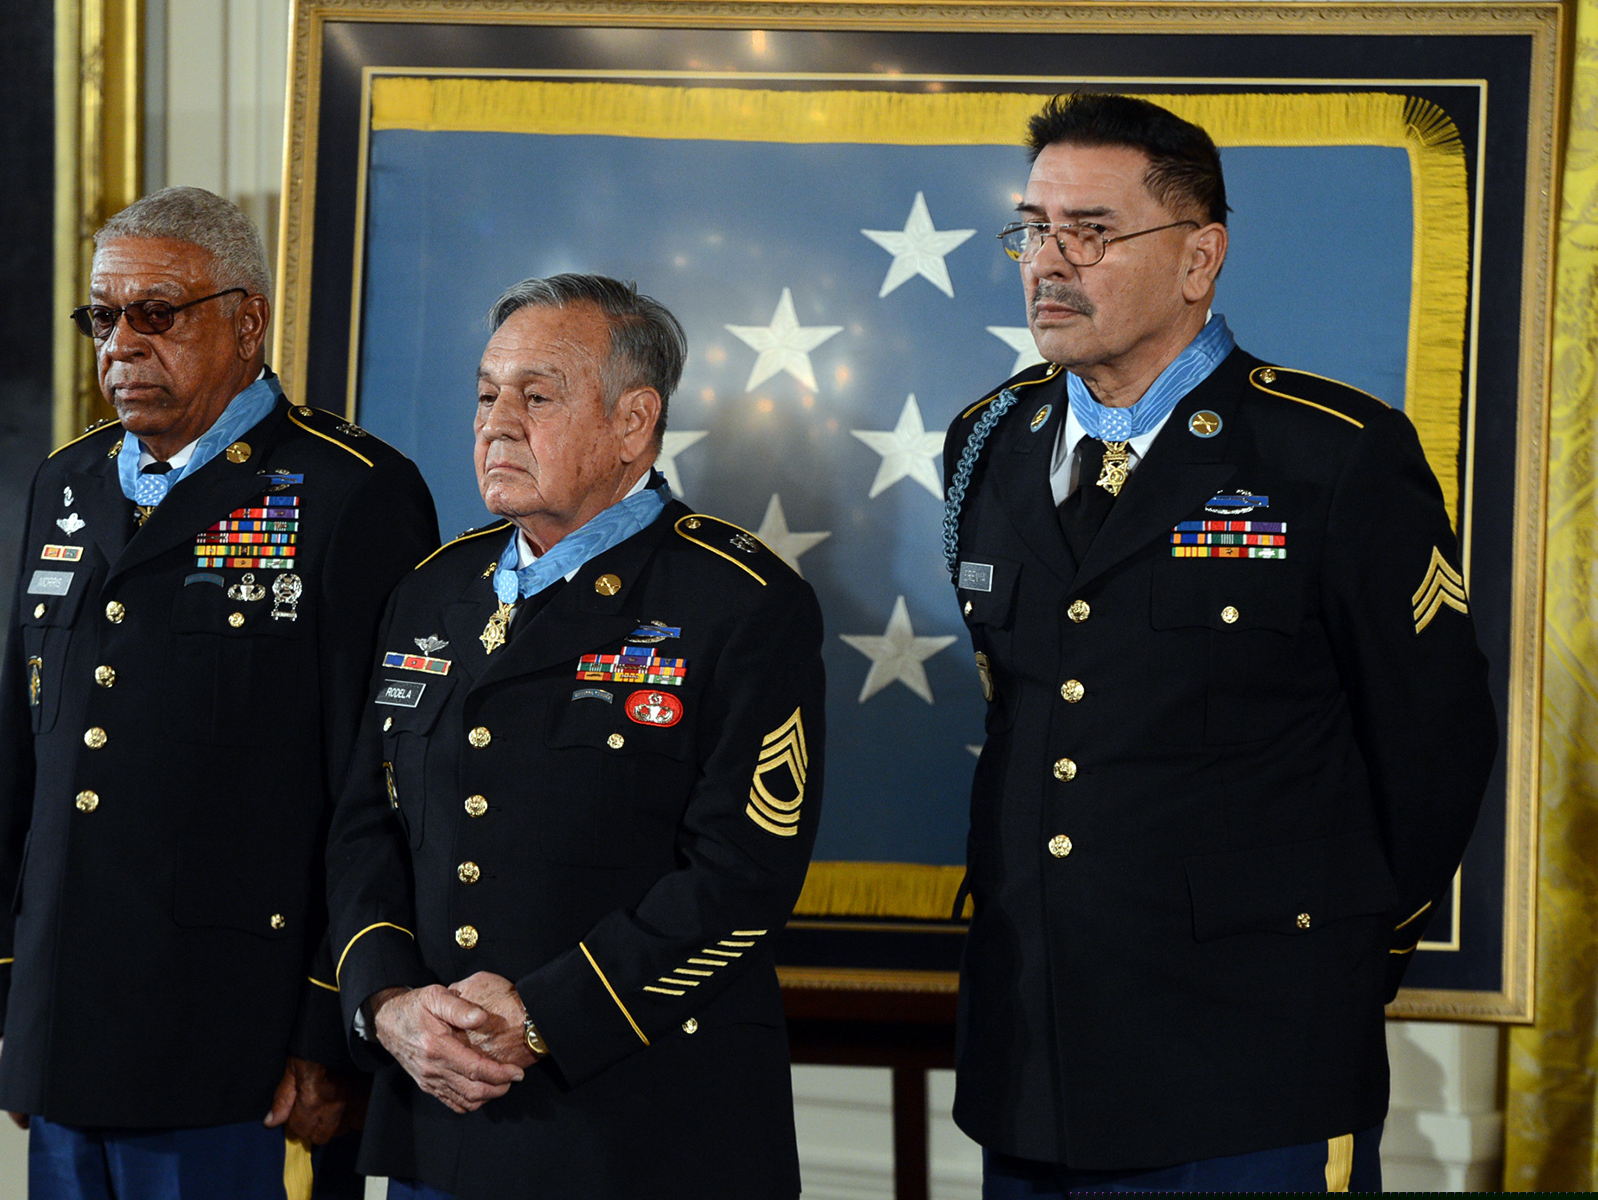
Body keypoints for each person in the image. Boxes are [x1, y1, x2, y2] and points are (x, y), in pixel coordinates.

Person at [942, 94, 1498, 1196]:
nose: (1048, 262)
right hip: (1035, 1052)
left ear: (1200, 258)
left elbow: (1434, 744)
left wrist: (1334, 955)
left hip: (1247, 1054)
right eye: (1032, 228)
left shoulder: (1331, 456)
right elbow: (1032, 715)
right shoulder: (988, 444)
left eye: (1090, 230)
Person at [0, 185, 440, 1199]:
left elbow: (384, 790)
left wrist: (331, 1026)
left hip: (241, 1055)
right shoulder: (68, 482)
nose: (123, 344)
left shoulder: (350, 492)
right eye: (105, 315)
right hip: (65, 1037)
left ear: (247, 320)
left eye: (158, 313)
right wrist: (9, 996)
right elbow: (30, 753)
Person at [325, 273, 825, 1199]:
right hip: (442, 1124)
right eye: (485, 394)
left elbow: (741, 877)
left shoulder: (737, 602)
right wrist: (388, 1004)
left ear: (634, 423)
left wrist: (547, 1015)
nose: (496, 422)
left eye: (536, 395)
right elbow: (365, 829)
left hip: (643, 1133)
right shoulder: (432, 590)